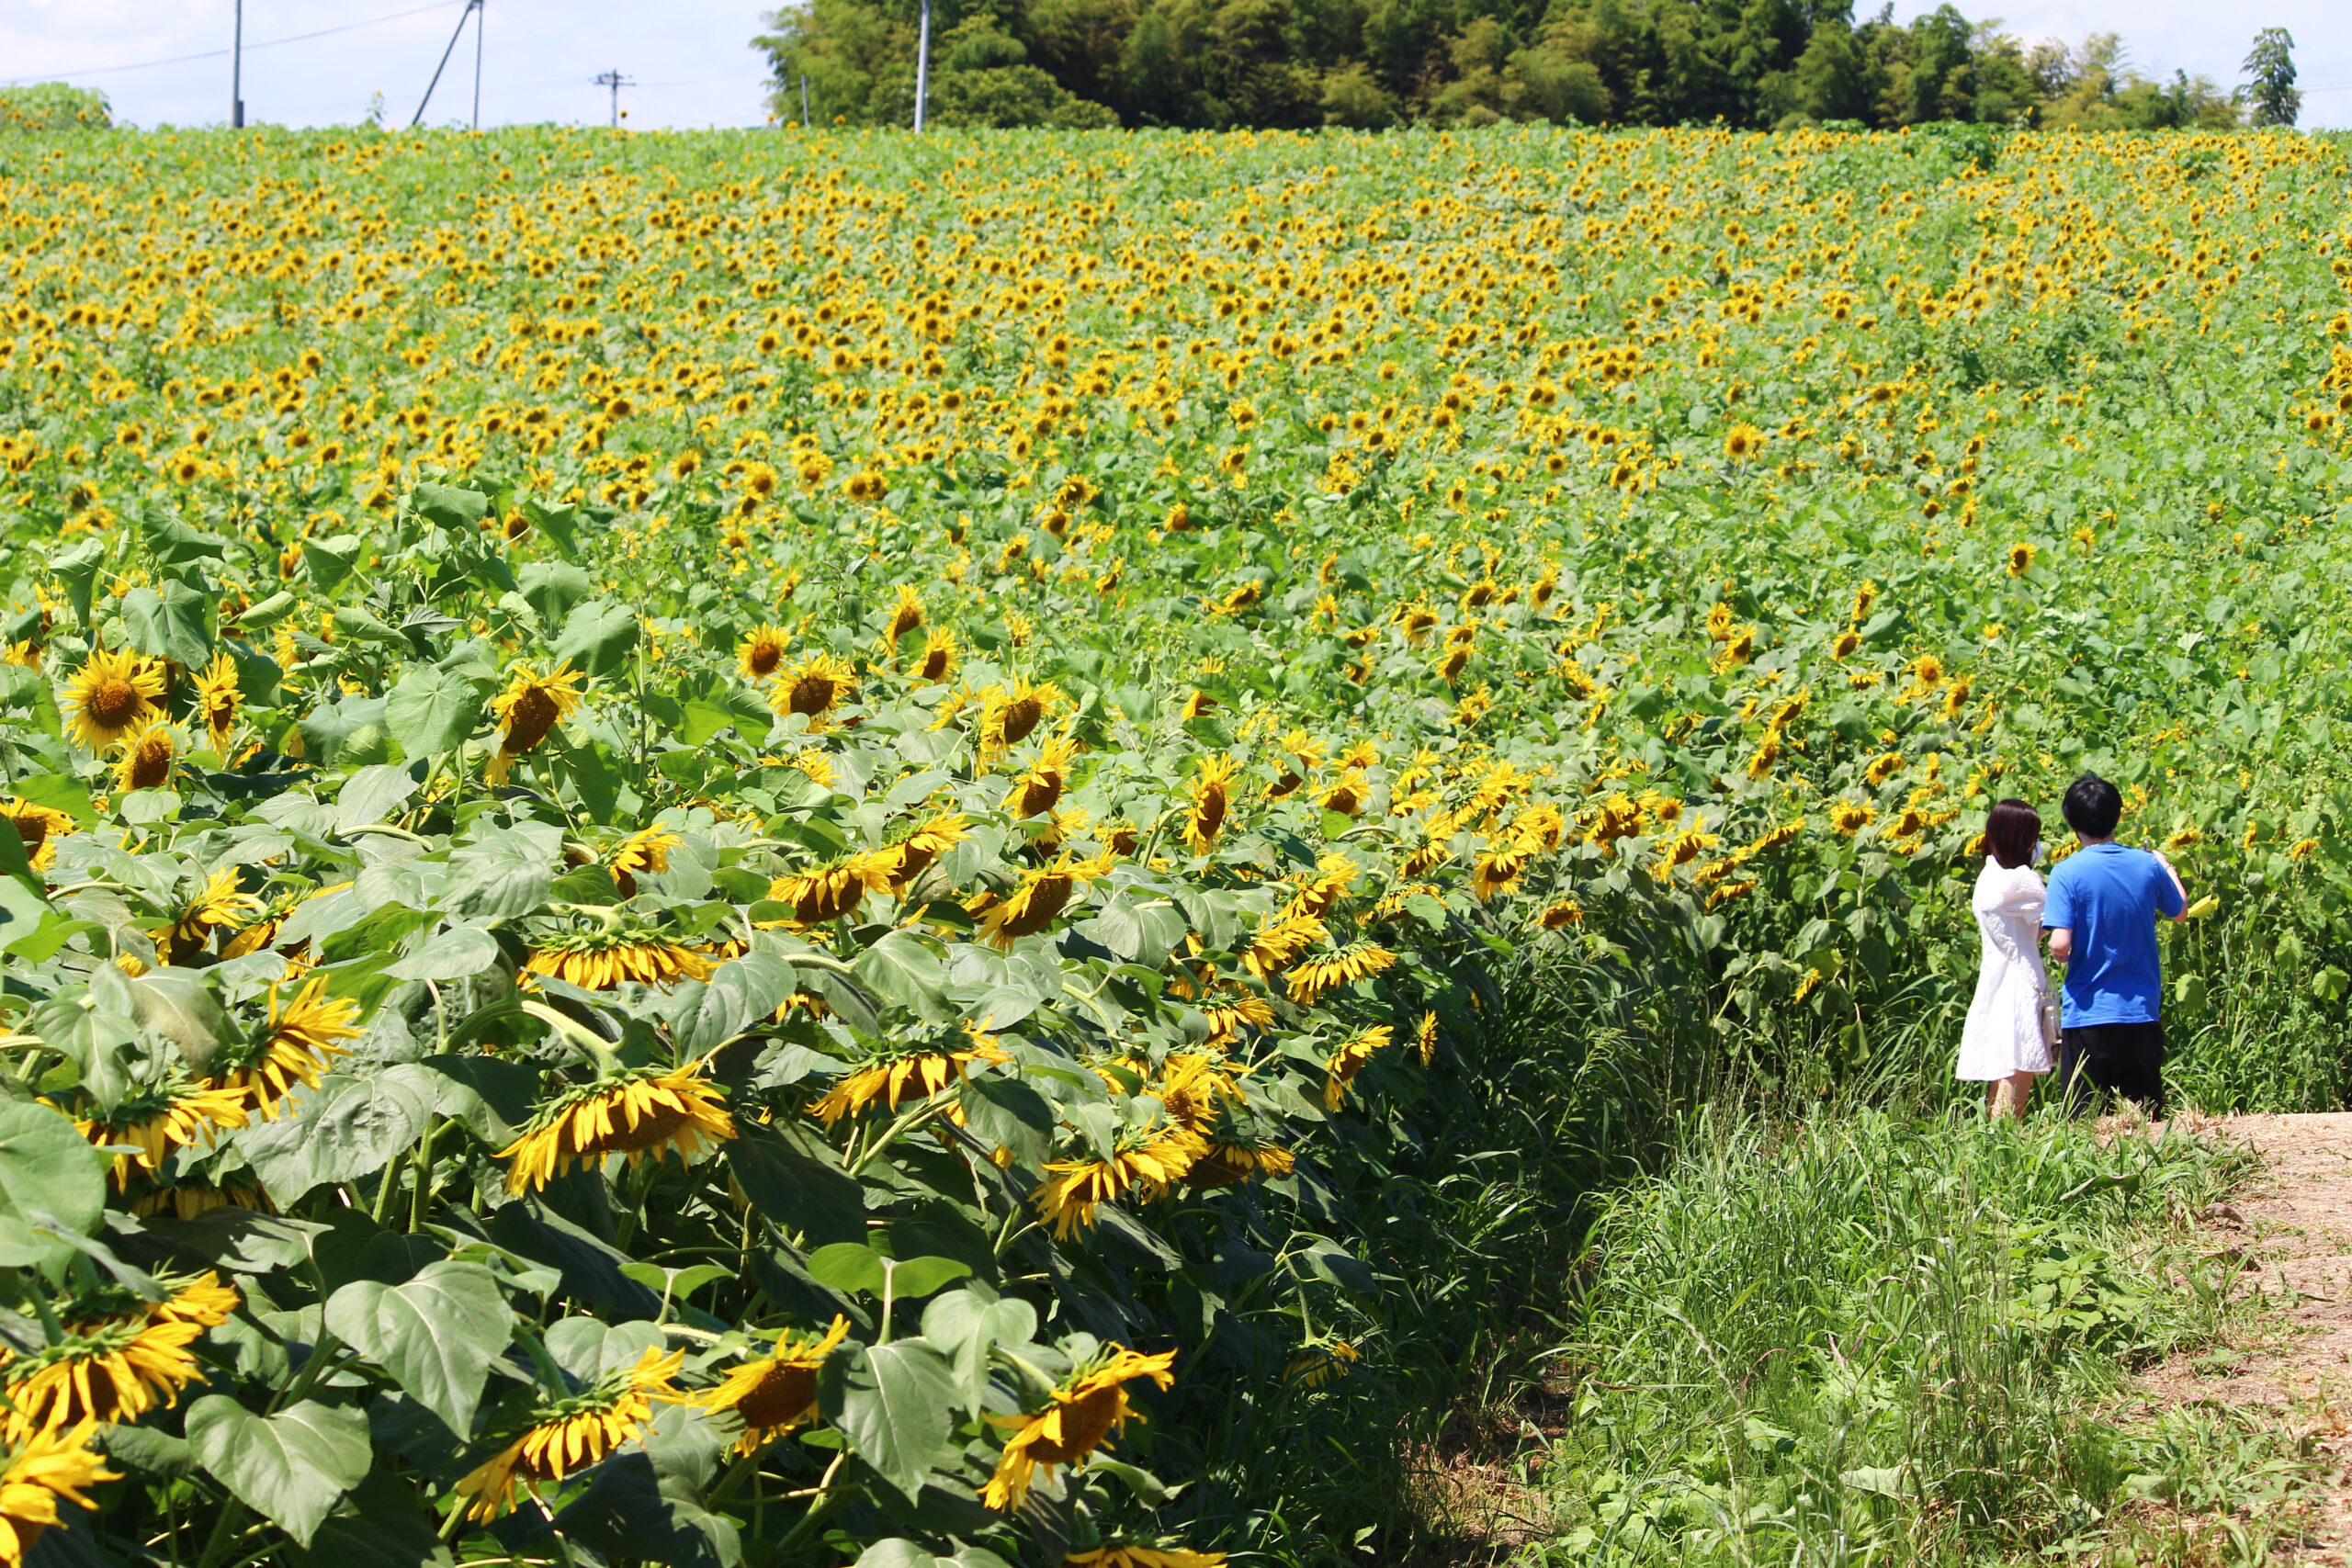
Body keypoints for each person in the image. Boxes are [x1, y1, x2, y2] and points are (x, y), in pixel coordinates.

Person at [2043, 773, 2188, 1119]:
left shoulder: (2067, 872)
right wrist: (2167, 866)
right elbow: (2180, 911)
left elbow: (2060, 942)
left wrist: (2060, 950)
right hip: (2140, 1010)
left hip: (2089, 1013)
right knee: (2147, 1122)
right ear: (2118, 816)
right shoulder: (2147, 865)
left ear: (2072, 822)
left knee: (2084, 1123)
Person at [1957, 798, 2053, 1118]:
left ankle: (1988, 1152)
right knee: (2018, 1073)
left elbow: (2027, 931)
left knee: (2000, 1079)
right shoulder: (2021, 881)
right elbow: (2055, 917)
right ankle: (2006, 1151)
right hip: (2020, 985)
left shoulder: (1988, 878)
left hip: (1995, 984)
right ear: (2023, 840)